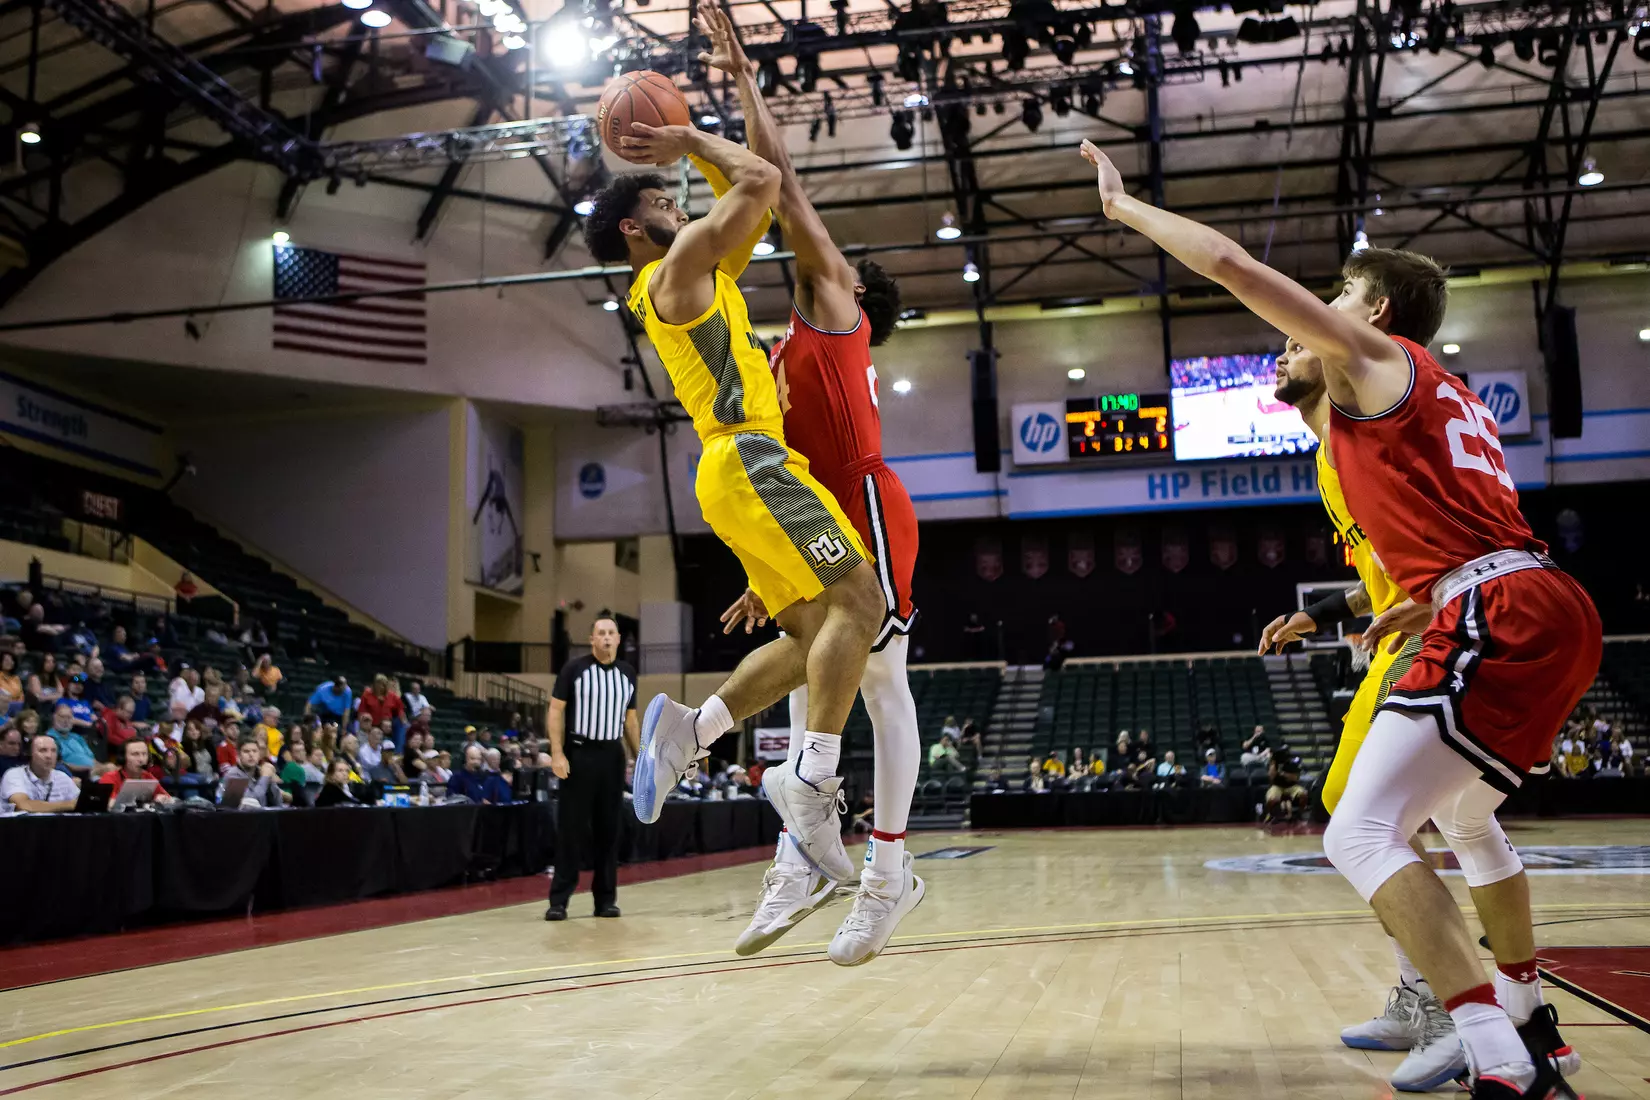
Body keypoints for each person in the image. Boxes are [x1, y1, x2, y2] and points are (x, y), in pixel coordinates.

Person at [1085, 138, 1594, 1097]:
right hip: (1533, 597)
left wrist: (1126, 211)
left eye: (1339, 293)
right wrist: (1400, 599)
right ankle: (1531, 1026)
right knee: (1469, 815)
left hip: (1498, 605)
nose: (1319, 311)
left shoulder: (1373, 357)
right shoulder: (1449, 401)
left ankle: (1496, 1054)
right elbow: (1462, 525)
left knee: (1358, 831)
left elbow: (1231, 265)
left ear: (1377, 311)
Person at [589, 35, 887, 907]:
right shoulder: (677, 269)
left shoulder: (698, 267)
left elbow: (763, 178)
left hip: (742, 469)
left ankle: (698, 726)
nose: (679, 198)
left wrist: (745, 91)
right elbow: (756, 185)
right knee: (862, 604)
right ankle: (811, 780)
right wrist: (687, 141)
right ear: (638, 230)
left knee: (814, 638)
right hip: (750, 457)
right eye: (662, 197)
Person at [675, 8, 926, 968]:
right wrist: (767, 557)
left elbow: (781, 191)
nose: (817, 251)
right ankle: (799, 855)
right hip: (808, 506)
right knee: (816, 655)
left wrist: (744, 81)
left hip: (864, 498)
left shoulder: (834, 305)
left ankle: (887, 869)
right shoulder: (786, 345)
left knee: (881, 678)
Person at [545, 616, 640, 922]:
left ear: (619, 638)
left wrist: (641, 757)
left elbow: (630, 719)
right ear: (592, 639)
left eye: (612, 633)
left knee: (609, 830)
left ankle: (605, 900)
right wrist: (557, 753)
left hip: (611, 755)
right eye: (601, 633)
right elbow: (555, 710)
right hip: (579, 752)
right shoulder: (574, 669)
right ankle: (559, 900)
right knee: (571, 829)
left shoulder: (627, 673)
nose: (607, 638)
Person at [1, 734, 79, 815]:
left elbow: (82, 804)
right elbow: (24, 805)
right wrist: (70, 804)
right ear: (30, 754)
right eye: (43, 750)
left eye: (53, 750)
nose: (49, 756)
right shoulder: (14, 775)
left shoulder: (62, 777)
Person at [216, 737, 288, 808]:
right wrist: (265, 778)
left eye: (254, 751)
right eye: (246, 751)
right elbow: (252, 805)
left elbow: (278, 802)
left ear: (259, 754)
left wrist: (271, 780)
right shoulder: (233, 775)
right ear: (238, 755)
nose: (251, 755)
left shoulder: (261, 771)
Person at [99, 739, 173, 803]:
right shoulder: (110, 777)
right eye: (135, 754)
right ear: (123, 758)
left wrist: (163, 799)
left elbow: (169, 798)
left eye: (144, 754)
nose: (141, 759)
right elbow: (109, 803)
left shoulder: (148, 776)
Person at [48, 701, 98, 778]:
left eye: (69, 717)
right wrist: (88, 769)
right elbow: (58, 764)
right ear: (54, 717)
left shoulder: (78, 737)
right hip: (73, 776)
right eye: (62, 716)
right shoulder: (49, 739)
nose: (65, 720)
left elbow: (92, 759)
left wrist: (103, 767)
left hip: (95, 772)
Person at [1264, 746, 1306, 821]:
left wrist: (1283, 774)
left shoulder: (1292, 762)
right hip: (1277, 786)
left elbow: (1295, 778)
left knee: (1303, 794)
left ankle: (1300, 813)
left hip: (1291, 786)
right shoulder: (1274, 763)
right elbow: (1271, 777)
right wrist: (1273, 763)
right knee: (1271, 799)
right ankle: (1271, 814)